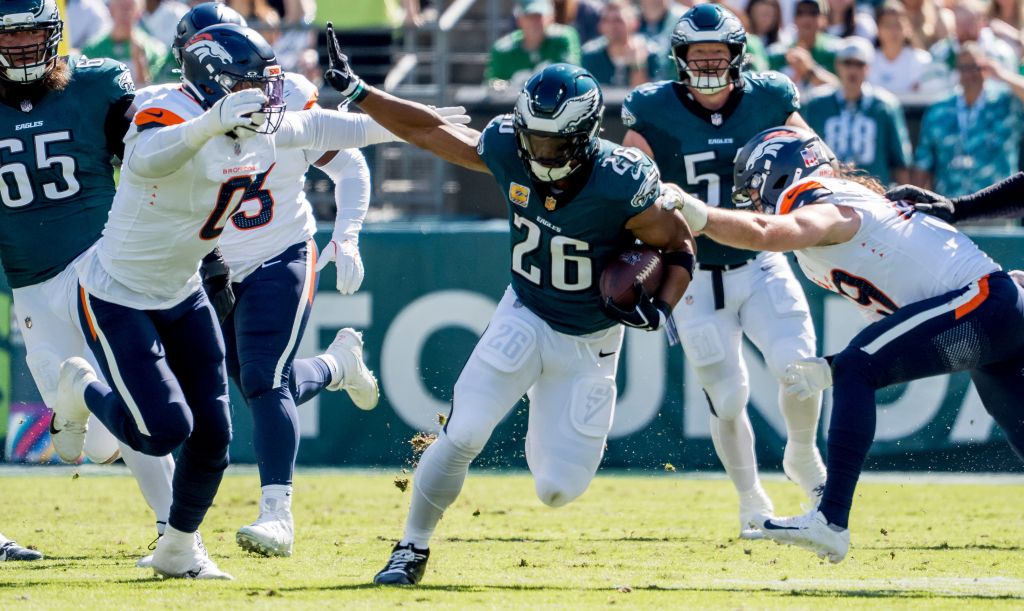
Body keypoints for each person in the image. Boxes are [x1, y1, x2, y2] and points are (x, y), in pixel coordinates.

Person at [323, 27, 698, 584]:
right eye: (533, 140)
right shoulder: (507, 147)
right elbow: (428, 129)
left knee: (557, 488)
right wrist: (360, 91)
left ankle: (544, 414)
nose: (540, 154)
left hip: (591, 340)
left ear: (585, 137)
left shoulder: (622, 181)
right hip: (525, 312)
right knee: (464, 433)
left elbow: (681, 245)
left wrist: (662, 307)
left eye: (554, 144)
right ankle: (410, 547)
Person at [50, 23, 400, 579]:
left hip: (218, 273)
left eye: (265, 82)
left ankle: (202, 540)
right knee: (175, 425)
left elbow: (336, 132)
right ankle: (82, 387)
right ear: (213, 78)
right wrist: (208, 124)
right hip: (137, 285)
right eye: (250, 83)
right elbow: (147, 159)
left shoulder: (267, 117)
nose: (264, 95)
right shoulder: (167, 108)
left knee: (234, 412)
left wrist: (422, 124)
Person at [131, 2, 430, 560]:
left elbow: (349, 163)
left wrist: (348, 234)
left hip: (281, 250)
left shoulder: (286, 94)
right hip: (209, 266)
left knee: (264, 379)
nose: (255, 84)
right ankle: (337, 366)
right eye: (238, 70)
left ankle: (277, 515)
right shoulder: (172, 110)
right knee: (254, 385)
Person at [666, 125, 1021, 563]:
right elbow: (897, 330)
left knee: (858, 367)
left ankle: (830, 520)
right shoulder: (842, 217)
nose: (755, 202)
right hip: (994, 309)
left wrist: (700, 214)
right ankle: (829, 518)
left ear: (780, 174)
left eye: (755, 189)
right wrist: (834, 366)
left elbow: (762, 231)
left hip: (986, 301)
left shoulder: (819, 200)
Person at [621, 4, 826, 540]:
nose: (709, 63)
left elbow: (814, 159)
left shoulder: (770, 97)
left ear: (737, 56)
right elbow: (628, 178)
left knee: (801, 368)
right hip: (693, 277)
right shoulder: (652, 108)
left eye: (717, 53)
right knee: (728, 397)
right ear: (679, 58)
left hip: (760, 261)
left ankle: (802, 453)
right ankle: (750, 497)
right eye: (698, 54)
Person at [0, 0, 175, 549]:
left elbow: (147, 156)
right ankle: (75, 396)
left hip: (95, 270)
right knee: (96, 446)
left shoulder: (95, 83)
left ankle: (176, 534)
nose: (21, 46)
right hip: (29, 285)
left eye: (31, 32)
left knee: (132, 402)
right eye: (9, 35)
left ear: (54, 32)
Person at [913, 42, 1024, 198]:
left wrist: (1002, 75)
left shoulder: (1005, 103)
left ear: (985, 68)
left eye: (975, 67)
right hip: (952, 202)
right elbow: (923, 162)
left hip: (998, 203)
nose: (969, 74)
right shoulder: (940, 109)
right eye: (963, 68)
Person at [802, 37, 913, 185]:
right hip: (828, 190)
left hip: (875, 192)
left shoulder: (885, 106)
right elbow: (806, 153)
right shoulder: (817, 105)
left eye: (859, 64)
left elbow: (900, 162)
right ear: (837, 65)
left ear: (868, 68)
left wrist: (904, 194)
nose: (852, 70)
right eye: (847, 63)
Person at [486, 0, 581, 86]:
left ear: (551, 17)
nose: (535, 22)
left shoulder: (562, 39)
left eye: (539, 16)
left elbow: (573, 77)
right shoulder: (503, 50)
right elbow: (492, 86)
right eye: (529, 16)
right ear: (519, 20)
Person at [869, 1, 945, 103]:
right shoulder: (867, 62)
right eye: (888, 25)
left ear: (907, 28)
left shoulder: (923, 61)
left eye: (898, 25)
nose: (893, 31)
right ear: (877, 30)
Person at [81, 0, 168, 85]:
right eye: (121, 7)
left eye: (130, 7)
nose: (126, 13)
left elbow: (153, 88)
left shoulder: (153, 50)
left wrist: (139, 63)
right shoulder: (93, 50)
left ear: (139, 12)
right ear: (111, 10)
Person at [581, 0, 661, 88]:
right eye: (605, 20)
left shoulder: (652, 54)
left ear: (635, 23)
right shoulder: (590, 56)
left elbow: (646, 94)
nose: (611, 26)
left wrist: (637, 66)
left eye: (618, 20)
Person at [767, 0, 840, 92]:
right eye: (800, 13)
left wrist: (810, 71)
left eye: (813, 13)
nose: (806, 18)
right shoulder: (776, 54)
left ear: (824, 19)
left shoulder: (837, 51)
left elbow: (845, 89)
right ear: (794, 19)